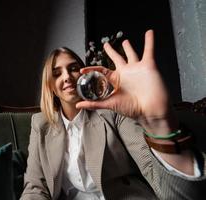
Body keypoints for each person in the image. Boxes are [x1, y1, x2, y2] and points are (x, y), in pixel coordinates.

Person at [20, 30, 205, 200]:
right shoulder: (40, 123)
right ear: (50, 87)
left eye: (73, 68)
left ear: (85, 73)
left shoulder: (112, 113)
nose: (67, 76)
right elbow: (35, 187)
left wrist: (160, 124)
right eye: (56, 73)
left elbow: (153, 170)